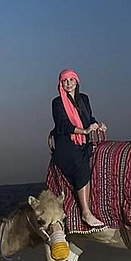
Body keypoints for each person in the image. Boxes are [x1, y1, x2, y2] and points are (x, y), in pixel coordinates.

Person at [51, 69, 107, 227]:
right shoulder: (57, 102)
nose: (68, 83)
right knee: (81, 166)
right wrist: (84, 131)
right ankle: (86, 213)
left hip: (84, 142)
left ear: (77, 81)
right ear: (60, 84)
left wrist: (97, 125)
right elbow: (62, 125)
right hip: (66, 144)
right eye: (65, 81)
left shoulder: (84, 99)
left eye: (71, 80)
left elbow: (89, 118)